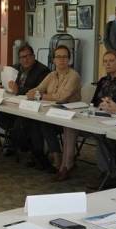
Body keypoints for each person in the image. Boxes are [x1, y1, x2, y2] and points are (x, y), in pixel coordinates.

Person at [25, 45, 81, 178]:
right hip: (52, 113)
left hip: (71, 116)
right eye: (58, 57)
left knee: (47, 123)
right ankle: (53, 157)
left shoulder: (74, 76)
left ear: (69, 60)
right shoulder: (51, 75)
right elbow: (37, 89)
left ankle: (65, 165)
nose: (61, 60)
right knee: (39, 122)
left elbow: (62, 97)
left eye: (64, 57)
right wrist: (33, 93)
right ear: (53, 59)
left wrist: (39, 96)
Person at [0, 44, 50, 154]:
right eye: (22, 57)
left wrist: (19, 90)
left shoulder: (43, 71)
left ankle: (16, 143)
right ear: (19, 59)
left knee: (21, 121)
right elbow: (8, 82)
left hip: (32, 106)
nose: (26, 59)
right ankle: (18, 140)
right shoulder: (15, 68)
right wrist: (0, 85)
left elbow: (38, 91)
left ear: (34, 56)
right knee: (1, 114)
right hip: (14, 103)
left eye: (28, 56)